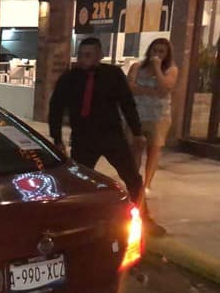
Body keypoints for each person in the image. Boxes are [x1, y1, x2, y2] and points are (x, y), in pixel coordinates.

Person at [49, 37, 165, 235]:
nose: (84, 59)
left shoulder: (112, 75)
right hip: (83, 138)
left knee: (132, 178)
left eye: (89, 55)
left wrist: (137, 132)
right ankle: (79, 218)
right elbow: (56, 108)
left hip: (111, 135)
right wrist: (57, 139)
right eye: (82, 54)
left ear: (99, 55)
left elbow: (127, 103)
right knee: (79, 181)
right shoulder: (69, 78)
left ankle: (143, 217)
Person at [128, 38, 178, 195]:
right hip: (138, 113)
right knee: (135, 147)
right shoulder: (137, 66)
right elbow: (130, 86)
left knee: (154, 149)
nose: (157, 54)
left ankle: (147, 184)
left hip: (158, 116)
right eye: (154, 50)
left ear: (167, 54)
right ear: (149, 50)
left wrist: (157, 68)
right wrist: (151, 91)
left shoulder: (171, 70)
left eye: (161, 51)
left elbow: (165, 88)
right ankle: (134, 182)